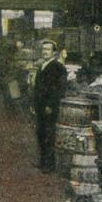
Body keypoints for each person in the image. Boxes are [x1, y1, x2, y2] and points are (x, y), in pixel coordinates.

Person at [32, 39, 68, 173]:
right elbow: (37, 88)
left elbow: (59, 89)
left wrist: (50, 105)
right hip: (40, 106)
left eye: (47, 49)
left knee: (49, 135)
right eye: (43, 49)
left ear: (54, 52)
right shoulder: (42, 66)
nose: (44, 52)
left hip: (50, 107)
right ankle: (43, 162)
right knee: (41, 133)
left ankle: (50, 165)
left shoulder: (58, 67)